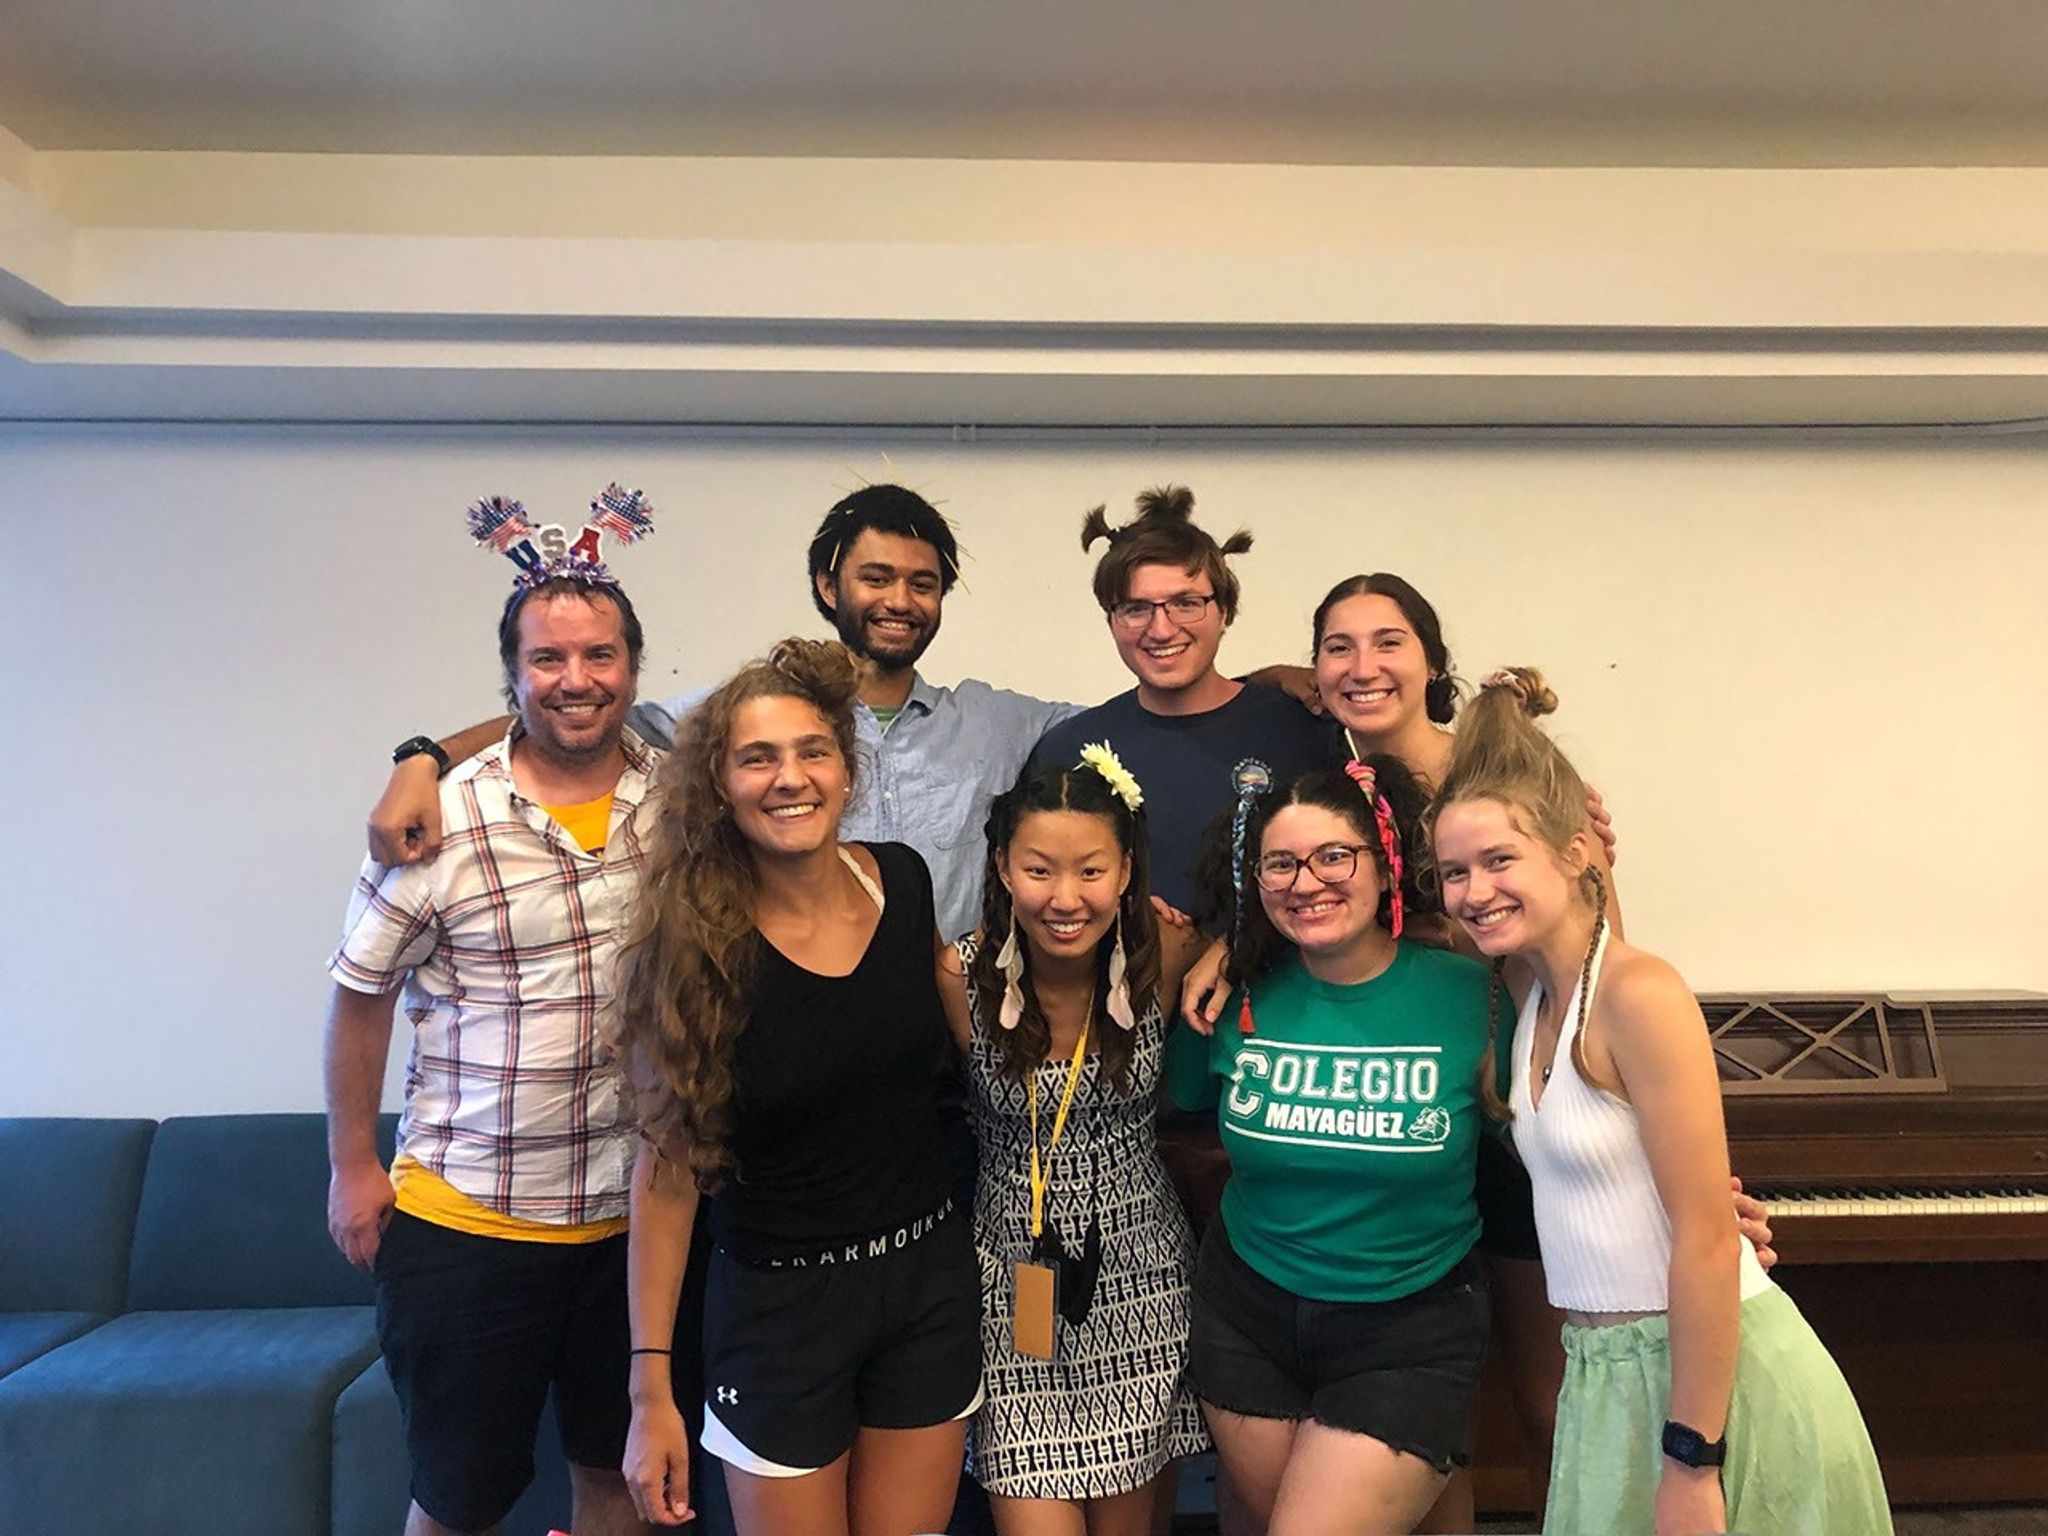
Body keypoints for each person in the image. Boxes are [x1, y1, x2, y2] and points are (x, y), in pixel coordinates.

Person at [1429, 670, 1891, 1536]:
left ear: (1576, 853)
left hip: (1707, 1382)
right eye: (1454, 871)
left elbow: (1708, 1246)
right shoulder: (1529, 998)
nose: (1474, 889)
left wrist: (1692, 1459)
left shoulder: (1637, 993)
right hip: (1605, 1371)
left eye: (1500, 860)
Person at [323, 490, 660, 1536]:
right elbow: (358, 994)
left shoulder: (678, 795)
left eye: (598, 656)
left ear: (633, 670)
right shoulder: (440, 820)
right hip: (472, 1219)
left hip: (634, 1220)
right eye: (548, 660)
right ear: (512, 676)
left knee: (618, 1482)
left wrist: (414, 748)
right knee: (458, 1499)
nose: (576, 681)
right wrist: (349, 1165)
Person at [614, 638, 982, 1536]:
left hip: (927, 1283)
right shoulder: (696, 945)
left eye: (813, 750)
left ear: (846, 769)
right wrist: (650, 1391)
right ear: (720, 784)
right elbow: (666, 1175)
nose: (791, 777)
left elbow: (956, 1051)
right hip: (781, 1308)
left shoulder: (904, 876)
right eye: (758, 757)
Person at [366, 483, 1078, 943]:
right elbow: (581, 719)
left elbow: (1135, 726)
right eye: (877, 577)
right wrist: (423, 759)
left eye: (923, 584)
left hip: (961, 1049)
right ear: (829, 587)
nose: (900, 600)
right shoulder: (753, 719)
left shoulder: (997, 724)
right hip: (807, 1033)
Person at [1165, 760, 1508, 1535]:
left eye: (1334, 856)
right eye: (1280, 863)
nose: (1306, 880)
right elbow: (1176, 1103)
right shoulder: (1229, 996)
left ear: (1385, 867)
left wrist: (1690, 1204)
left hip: (1410, 1324)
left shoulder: (1473, 997)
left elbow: (1562, 1139)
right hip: (1246, 1314)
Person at [935, 747, 1210, 1535]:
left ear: (1127, 871)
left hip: (1139, 1279)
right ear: (1001, 868)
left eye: (1090, 871)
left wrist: (1225, 943)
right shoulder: (960, 977)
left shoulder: (1166, 952)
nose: (1065, 898)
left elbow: (1266, 934)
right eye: (1038, 870)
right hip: (1012, 1287)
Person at [1029, 486, 1327, 916]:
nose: (1162, 629)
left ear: (1224, 611)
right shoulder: (1069, 750)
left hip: (1281, 978)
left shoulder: (1302, 728)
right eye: (1136, 608)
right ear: (1111, 620)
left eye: (1187, 603)